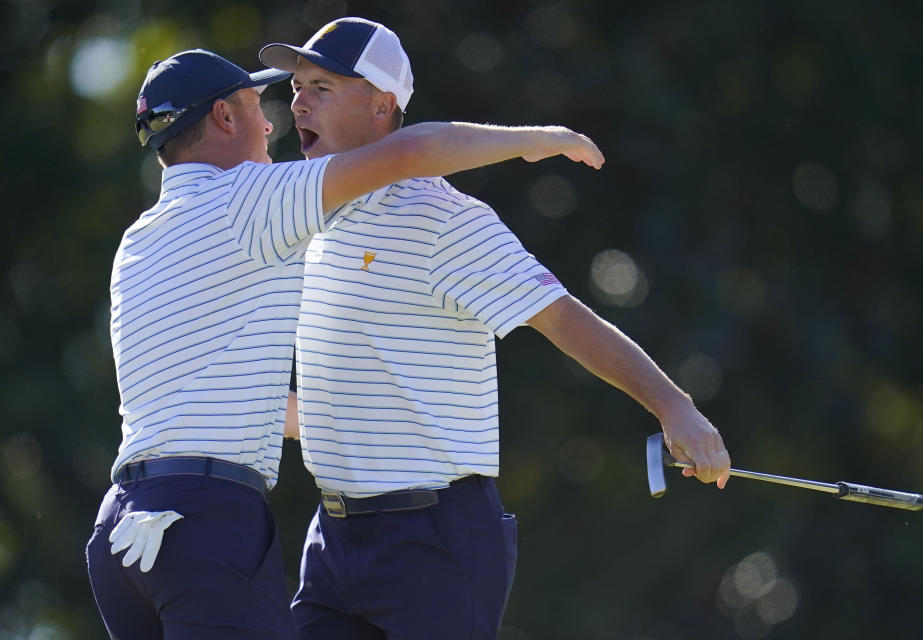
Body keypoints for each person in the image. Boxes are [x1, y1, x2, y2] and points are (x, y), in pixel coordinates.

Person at [84, 46, 605, 640]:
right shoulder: (250, 199)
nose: (274, 122)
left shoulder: (139, 240)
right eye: (259, 107)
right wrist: (536, 139)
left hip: (121, 535)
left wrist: (372, 422)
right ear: (226, 118)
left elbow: (223, 399)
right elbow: (412, 153)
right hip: (203, 530)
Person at [258, 16, 732, 640]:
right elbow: (337, 404)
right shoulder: (313, 217)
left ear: (382, 106)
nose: (297, 99)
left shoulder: (442, 217)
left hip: (432, 538)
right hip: (334, 539)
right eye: (297, 85)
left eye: (322, 86)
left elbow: (563, 318)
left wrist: (675, 407)